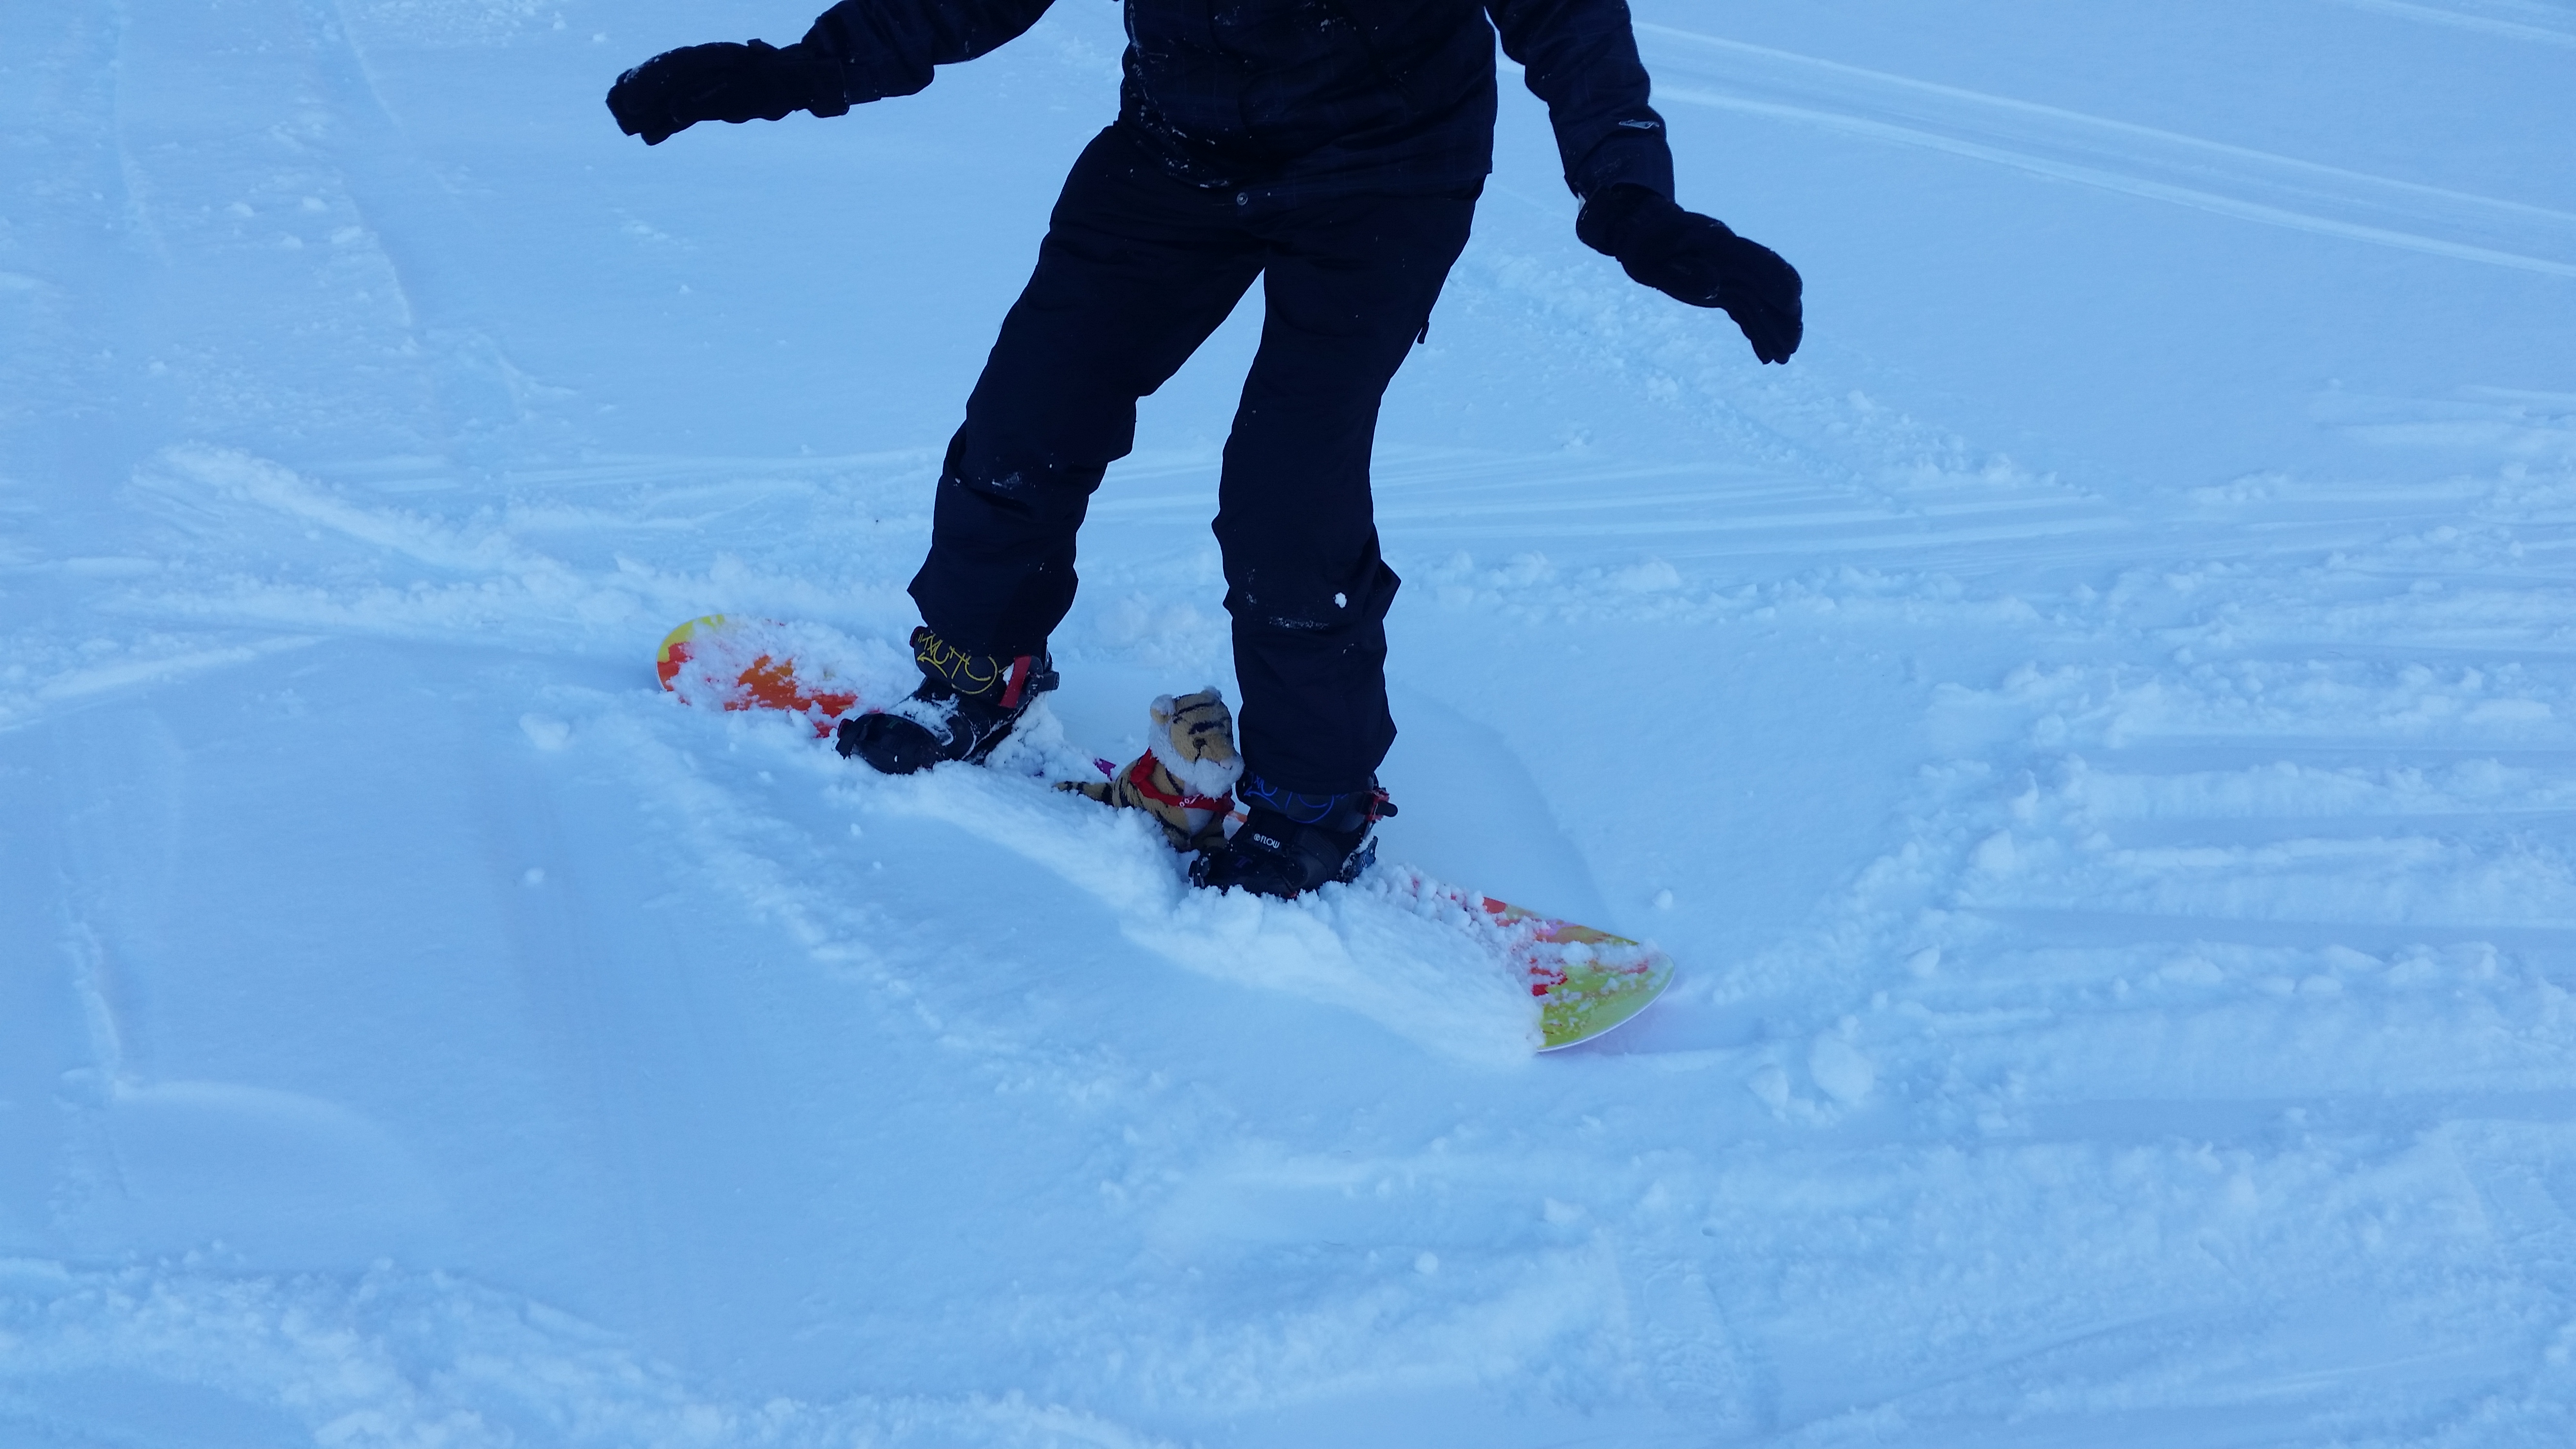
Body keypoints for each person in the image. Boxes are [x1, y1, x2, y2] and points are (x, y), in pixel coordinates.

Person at [608, 0, 1801, 898]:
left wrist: (1630, 196)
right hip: (1176, 149)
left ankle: (1314, 800)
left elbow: (1570, 20)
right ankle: (978, 665)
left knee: (1288, 485)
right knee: (1031, 412)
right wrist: (806, 70)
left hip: (1385, 176)